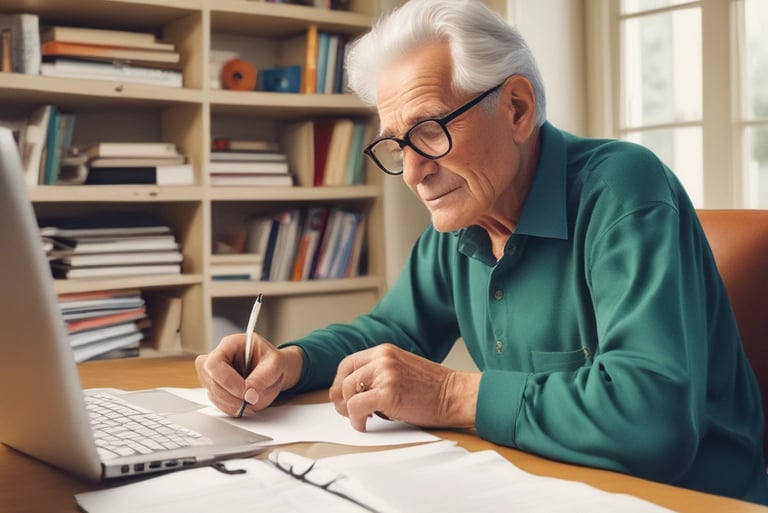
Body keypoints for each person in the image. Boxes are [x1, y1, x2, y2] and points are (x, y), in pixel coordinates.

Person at [196, 0, 768, 504]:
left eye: (428, 130)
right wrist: (288, 363)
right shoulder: (463, 218)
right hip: (544, 485)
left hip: (693, 499)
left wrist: (449, 393)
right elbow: (392, 330)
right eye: (397, 144)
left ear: (516, 108)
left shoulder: (623, 191)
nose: (414, 171)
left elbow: (654, 421)